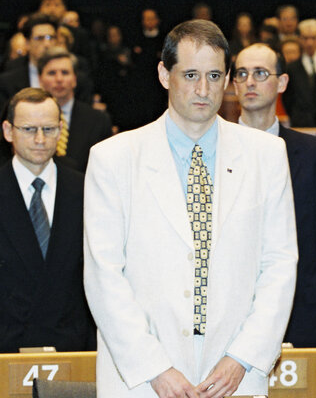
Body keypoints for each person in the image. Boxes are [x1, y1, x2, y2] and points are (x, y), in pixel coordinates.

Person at [83, 20, 298, 397]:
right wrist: (156, 369)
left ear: (228, 78)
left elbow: (279, 265)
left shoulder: (266, 155)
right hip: (142, 379)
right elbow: (104, 277)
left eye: (215, 75)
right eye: (191, 75)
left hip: (235, 377)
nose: (203, 90)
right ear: (164, 75)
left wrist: (242, 358)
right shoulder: (113, 158)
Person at [233, 43, 316, 347]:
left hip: (302, 316)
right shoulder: (210, 151)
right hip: (227, 318)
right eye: (242, 73)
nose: (250, 81)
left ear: (282, 82)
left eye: (260, 73)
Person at [0, 88, 94, 352]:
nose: (40, 139)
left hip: (74, 347)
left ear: (61, 130)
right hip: (6, 349)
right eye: (29, 129)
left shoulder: (87, 188)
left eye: (49, 129)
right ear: (8, 131)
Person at [36, 49, 112, 171]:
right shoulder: (29, 118)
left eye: (65, 72)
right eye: (52, 73)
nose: (59, 79)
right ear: (40, 80)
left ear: (75, 79)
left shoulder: (99, 120)